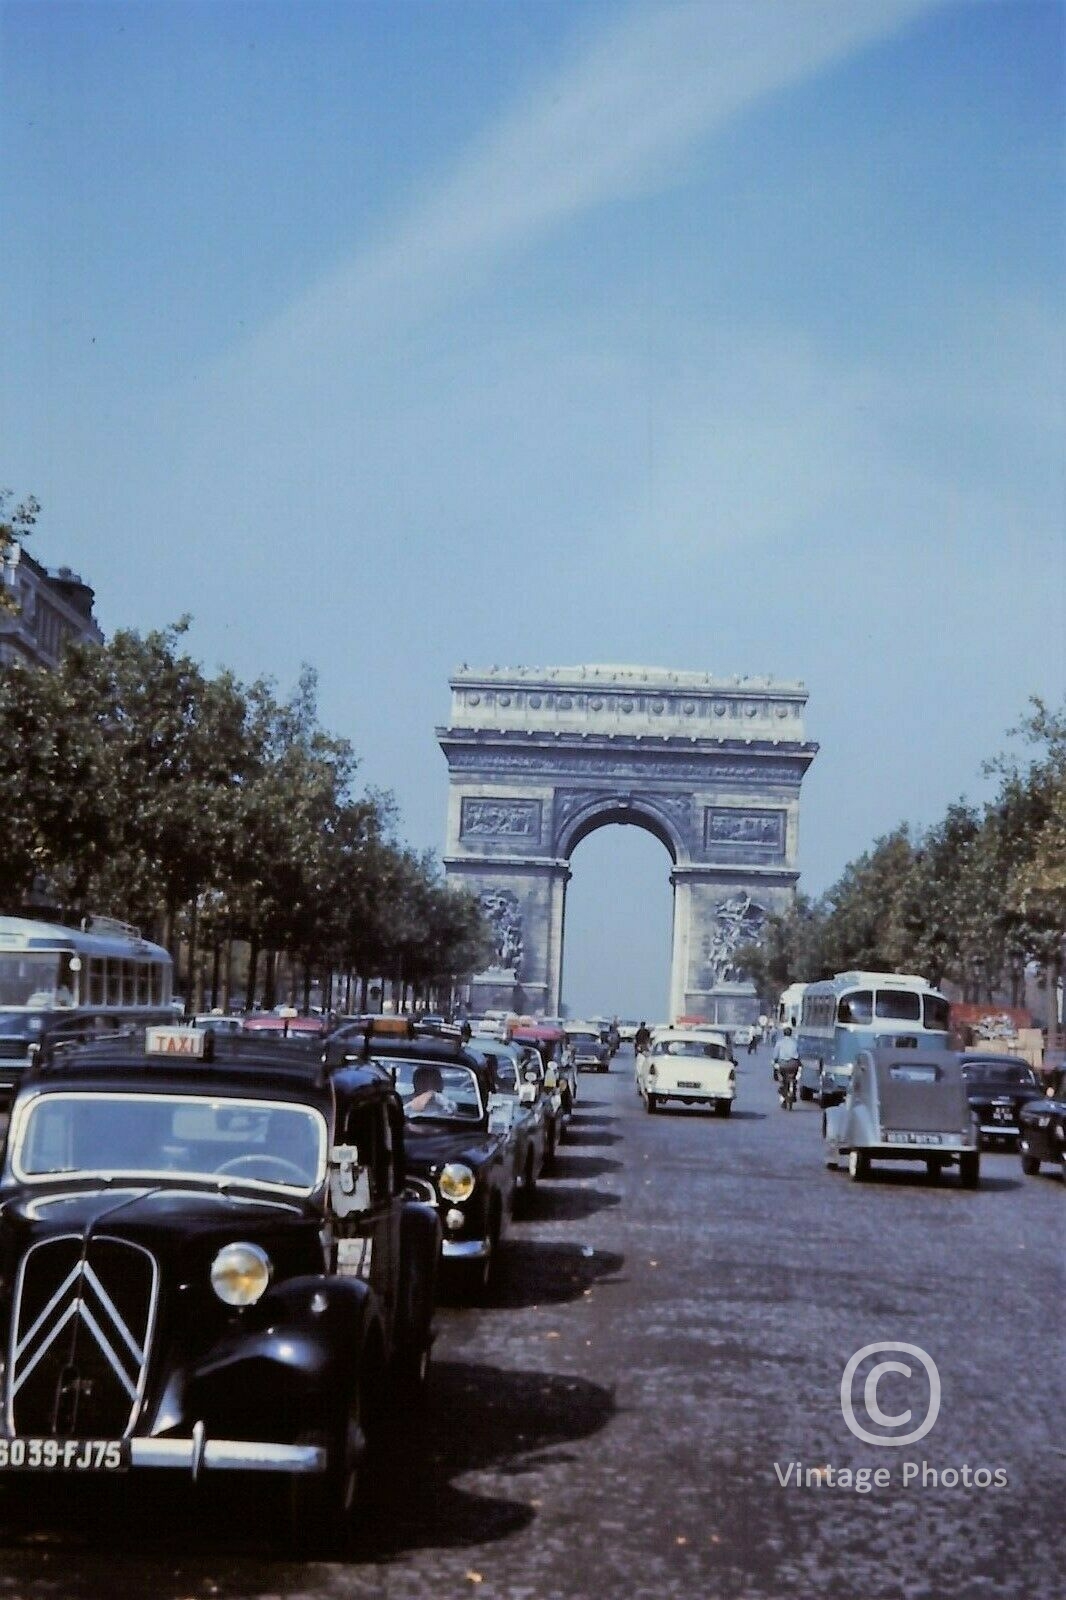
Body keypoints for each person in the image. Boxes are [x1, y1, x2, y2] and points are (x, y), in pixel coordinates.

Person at [772, 1026, 799, 1102]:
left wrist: (774, 1061)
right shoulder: (795, 1042)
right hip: (794, 1064)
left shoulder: (780, 1042)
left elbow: (775, 1055)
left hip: (783, 1064)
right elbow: (799, 1053)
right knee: (794, 1077)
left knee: (782, 1077)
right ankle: (793, 1087)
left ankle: (783, 1087)